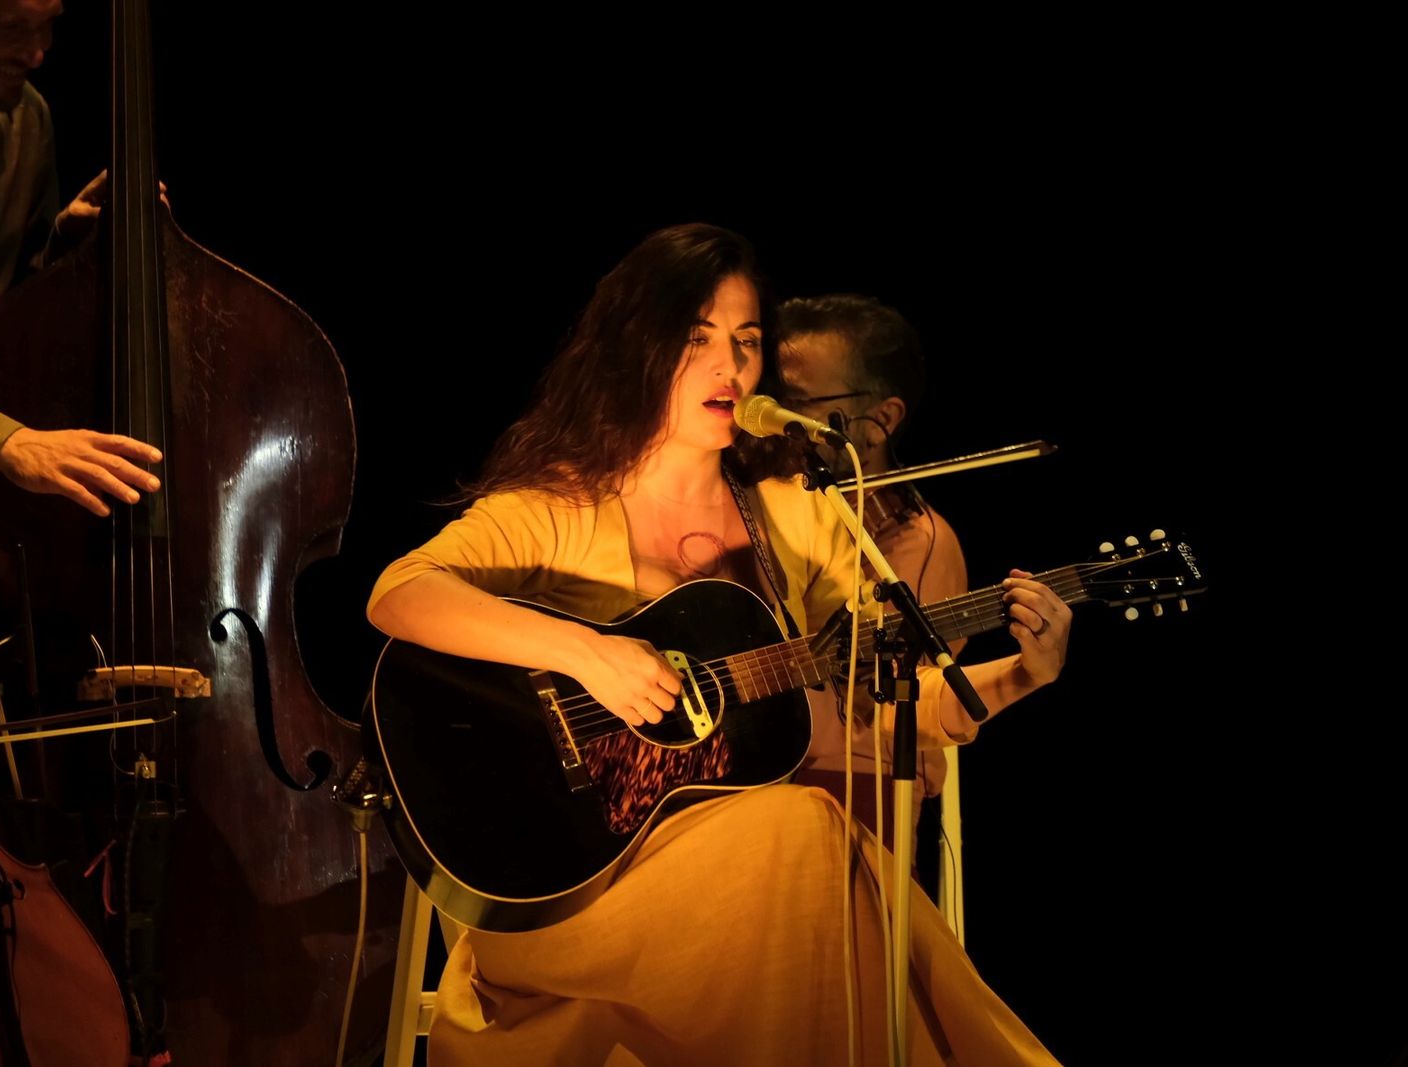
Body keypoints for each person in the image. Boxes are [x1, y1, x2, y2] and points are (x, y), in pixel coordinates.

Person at [368, 224, 1070, 1065]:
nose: (728, 369)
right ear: (637, 349)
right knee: (805, 841)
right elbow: (399, 594)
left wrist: (1019, 675)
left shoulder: (798, 512)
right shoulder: (556, 504)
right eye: (696, 339)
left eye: (744, 342)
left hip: (754, 865)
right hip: (575, 884)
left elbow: (873, 721)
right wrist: (586, 654)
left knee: (807, 841)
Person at [776, 294, 972, 853]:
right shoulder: (769, 504)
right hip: (755, 774)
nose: (774, 425)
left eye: (798, 405)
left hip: (853, 789)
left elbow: (871, 698)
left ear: (880, 421)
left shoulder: (914, 540)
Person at [0, 0, 161, 514]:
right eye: (13, 26)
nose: (37, 52)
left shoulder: (28, 121)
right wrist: (5, 443)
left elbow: (3, 317)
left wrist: (71, 248)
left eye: (49, 24)